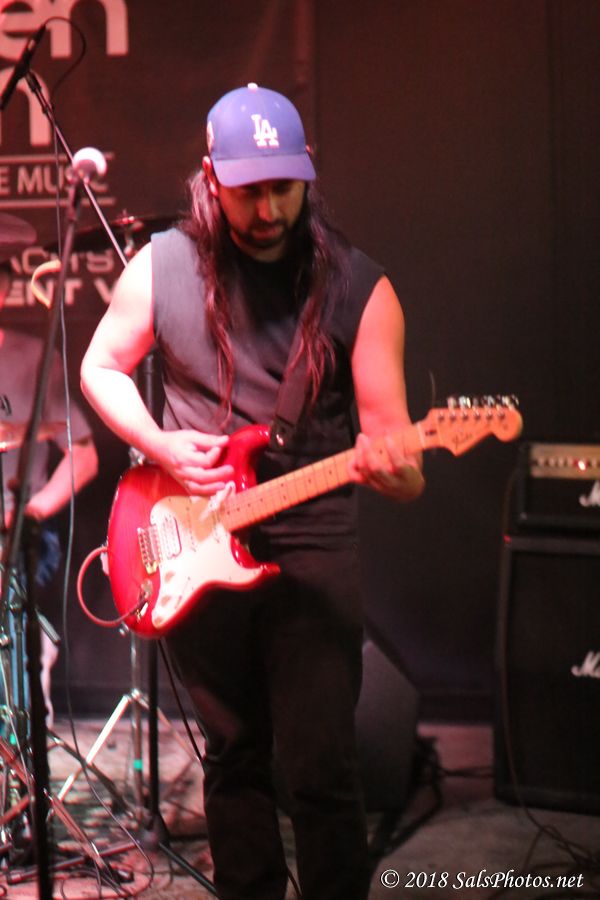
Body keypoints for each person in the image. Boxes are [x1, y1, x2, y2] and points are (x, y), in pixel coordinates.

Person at [80, 83, 425, 900]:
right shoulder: (163, 267)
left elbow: (403, 461)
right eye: (248, 190)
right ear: (211, 178)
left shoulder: (361, 290)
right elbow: (101, 366)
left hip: (312, 547)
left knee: (321, 770)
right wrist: (158, 443)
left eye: (283, 187)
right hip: (195, 537)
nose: (268, 209)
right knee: (233, 759)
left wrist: (397, 471)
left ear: (307, 174)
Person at [0, 258, 99, 728]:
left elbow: (84, 456)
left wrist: (32, 512)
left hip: (18, 532)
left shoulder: (36, 359)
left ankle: (16, 732)